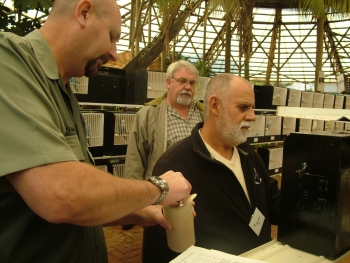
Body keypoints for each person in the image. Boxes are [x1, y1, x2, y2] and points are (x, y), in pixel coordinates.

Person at [0, 0, 192, 262]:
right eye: (111, 37)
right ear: (84, 12)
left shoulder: (64, 93)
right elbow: (62, 195)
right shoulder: (8, 59)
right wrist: (159, 187)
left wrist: (145, 212)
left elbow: (86, 201)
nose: (114, 53)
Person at [142, 73, 281, 263]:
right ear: (215, 105)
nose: (253, 116)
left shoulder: (249, 156)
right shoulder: (175, 165)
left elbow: (271, 201)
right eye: (243, 107)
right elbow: (159, 249)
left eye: (253, 108)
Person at [124, 60, 204, 180]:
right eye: (182, 81)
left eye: (192, 83)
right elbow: (134, 161)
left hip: (200, 189)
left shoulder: (204, 115)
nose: (188, 87)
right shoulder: (147, 115)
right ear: (168, 82)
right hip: (164, 192)